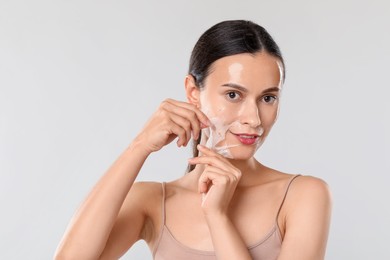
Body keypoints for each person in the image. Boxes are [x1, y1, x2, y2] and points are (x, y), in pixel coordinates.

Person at [55, 20, 332, 260]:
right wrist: (138, 147)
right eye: (233, 95)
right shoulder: (153, 201)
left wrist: (217, 216)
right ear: (192, 91)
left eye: (268, 98)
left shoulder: (303, 195)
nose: (254, 119)